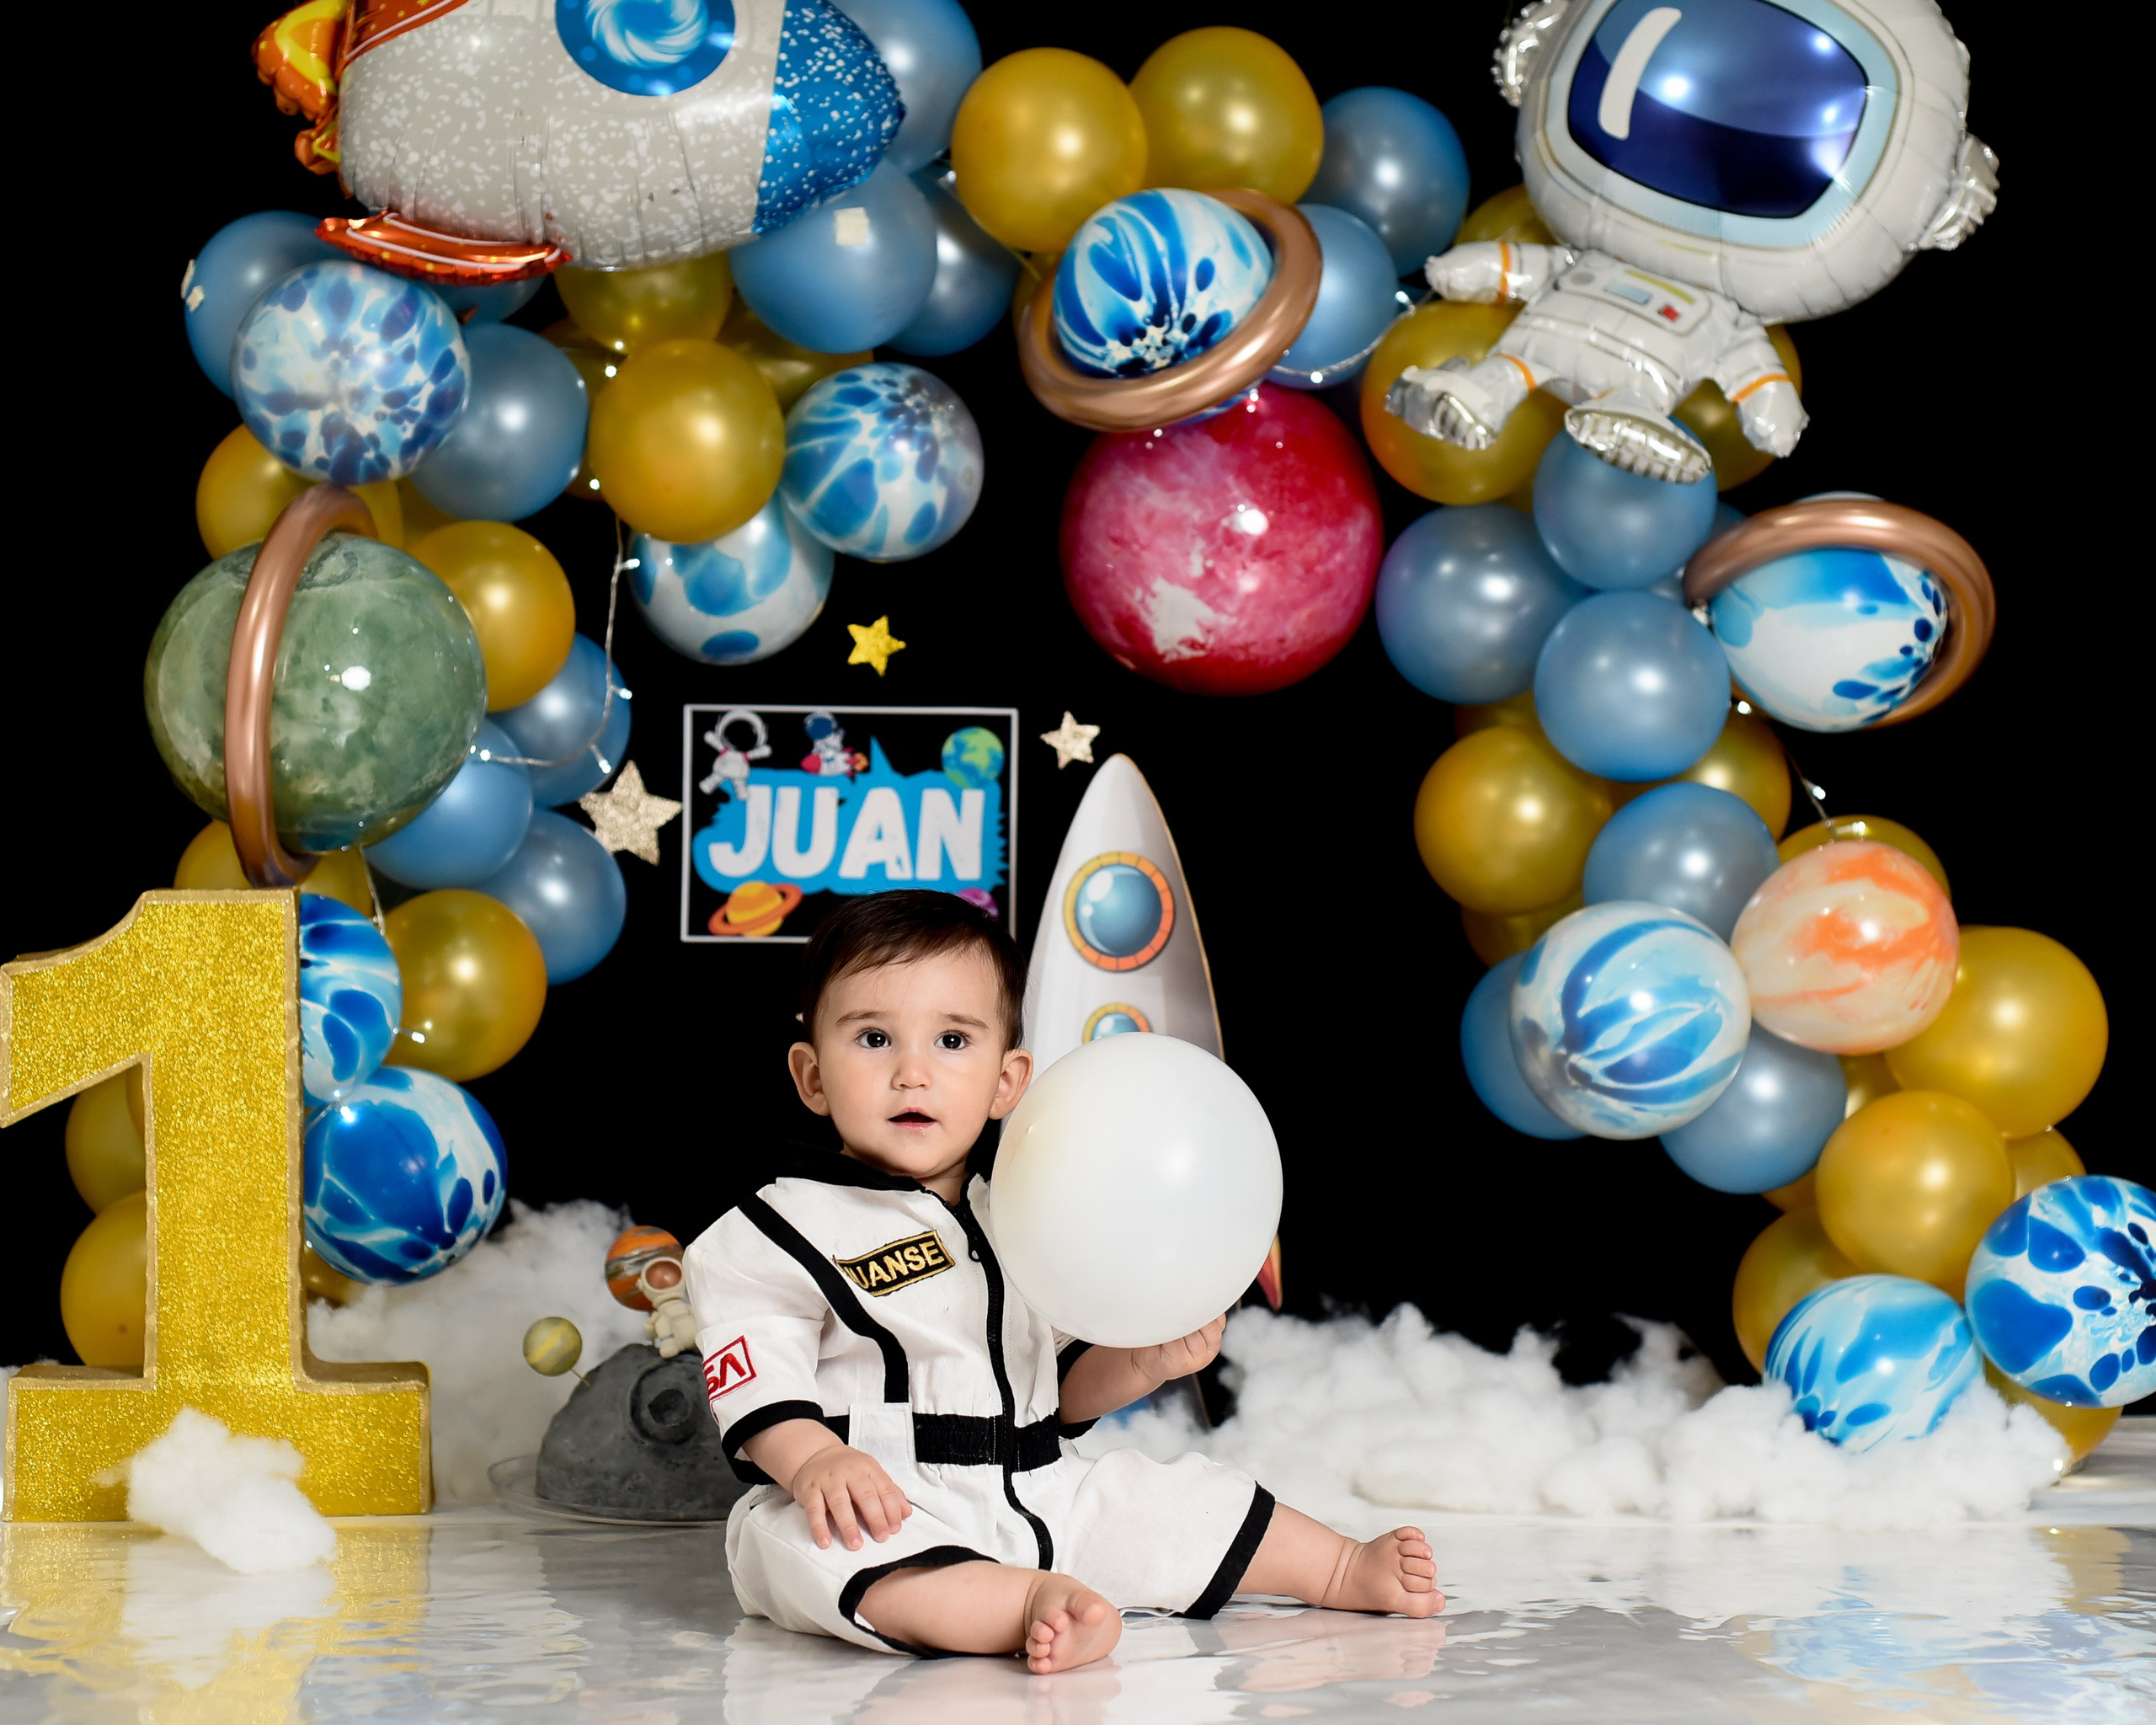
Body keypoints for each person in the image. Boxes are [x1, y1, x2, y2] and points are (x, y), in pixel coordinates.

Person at [685, 892, 1442, 1673]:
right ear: (812, 1076)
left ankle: (1340, 1568)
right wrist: (813, 1461)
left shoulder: (1023, 1210)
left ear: (1008, 1082)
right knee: (809, 1554)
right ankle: (1022, 1604)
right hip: (882, 1507)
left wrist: (1145, 1360)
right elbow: (756, 1384)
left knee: (1177, 1497)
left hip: (1041, 1488)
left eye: (952, 1040)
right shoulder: (773, 1233)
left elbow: (1064, 1392)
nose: (912, 1072)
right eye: (874, 1038)